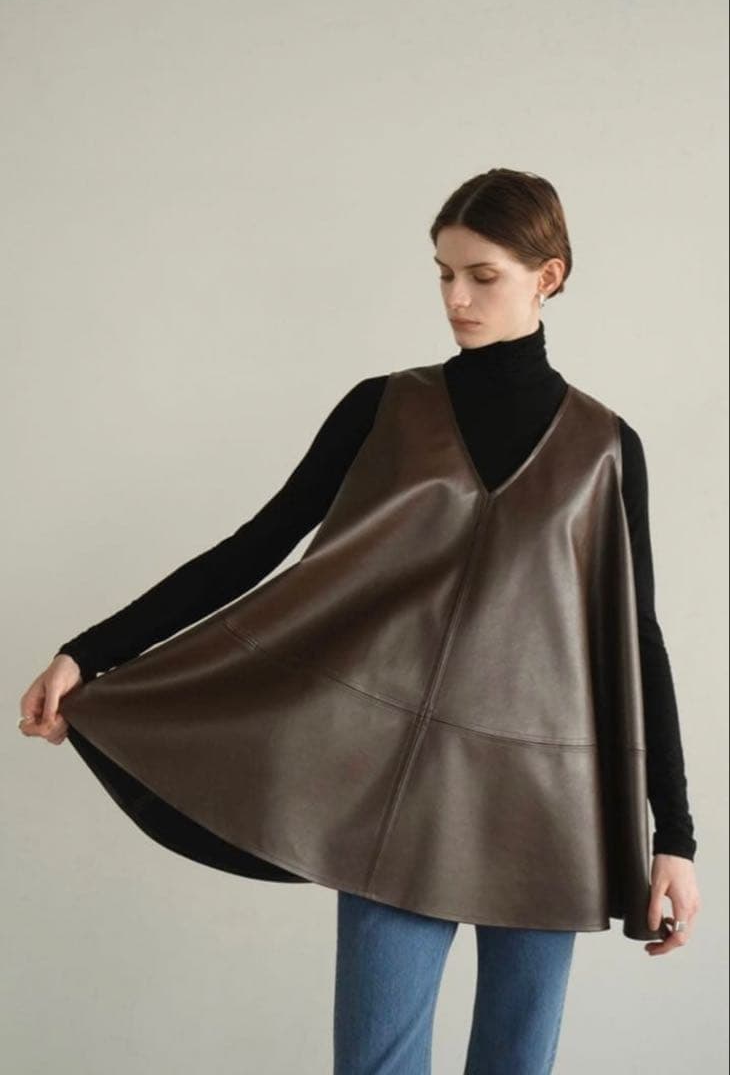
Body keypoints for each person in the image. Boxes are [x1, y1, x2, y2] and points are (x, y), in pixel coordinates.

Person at [19, 168, 702, 1073]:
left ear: (549, 276)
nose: (456, 299)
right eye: (443, 273)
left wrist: (675, 837)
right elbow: (255, 547)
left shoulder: (606, 448)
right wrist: (90, 653)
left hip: (549, 803)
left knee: (518, 1062)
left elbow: (637, 640)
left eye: (483, 276)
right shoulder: (386, 407)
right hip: (401, 795)